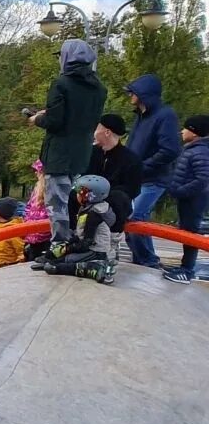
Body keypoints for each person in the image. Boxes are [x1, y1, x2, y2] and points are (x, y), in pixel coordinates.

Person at [30, 38, 106, 245]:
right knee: (76, 201)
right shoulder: (99, 88)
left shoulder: (61, 84)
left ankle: (59, 246)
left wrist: (38, 118)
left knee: (56, 204)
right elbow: (80, 117)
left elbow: (55, 122)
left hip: (59, 155)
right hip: (81, 155)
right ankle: (79, 241)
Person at [122, 74, 182, 269]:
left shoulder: (165, 116)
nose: (130, 95)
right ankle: (142, 260)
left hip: (154, 179)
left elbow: (170, 150)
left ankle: (148, 261)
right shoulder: (140, 117)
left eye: (134, 92)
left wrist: (143, 166)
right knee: (131, 218)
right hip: (137, 178)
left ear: (144, 94)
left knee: (135, 217)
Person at [41, 175, 119, 283]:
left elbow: (87, 242)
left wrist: (67, 249)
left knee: (62, 262)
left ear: (90, 196)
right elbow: (81, 235)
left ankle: (94, 268)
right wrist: (65, 246)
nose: (77, 195)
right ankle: (51, 260)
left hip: (96, 251)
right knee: (56, 253)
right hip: (90, 248)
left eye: (79, 192)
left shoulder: (94, 215)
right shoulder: (92, 207)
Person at [163, 115, 209, 284]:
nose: (182, 131)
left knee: (191, 234)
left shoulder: (201, 151)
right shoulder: (193, 148)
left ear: (195, 132)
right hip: (188, 198)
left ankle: (187, 271)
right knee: (186, 232)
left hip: (194, 200)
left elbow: (202, 179)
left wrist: (180, 191)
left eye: (186, 128)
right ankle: (184, 267)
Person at [89, 113, 142, 203]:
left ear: (107, 132)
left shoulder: (131, 160)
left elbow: (133, 189)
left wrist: (106, 193)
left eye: (96, 129)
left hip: (113, 206)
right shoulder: (91, 153)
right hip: (88, 198)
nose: (94, 134)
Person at [22, 161, 51, 263]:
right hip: (31, 232)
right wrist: (26, 220)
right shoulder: (36, 188)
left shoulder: (51, 188)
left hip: (44, 234)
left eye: (37, 170)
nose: (35, 173)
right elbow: (29, 206)